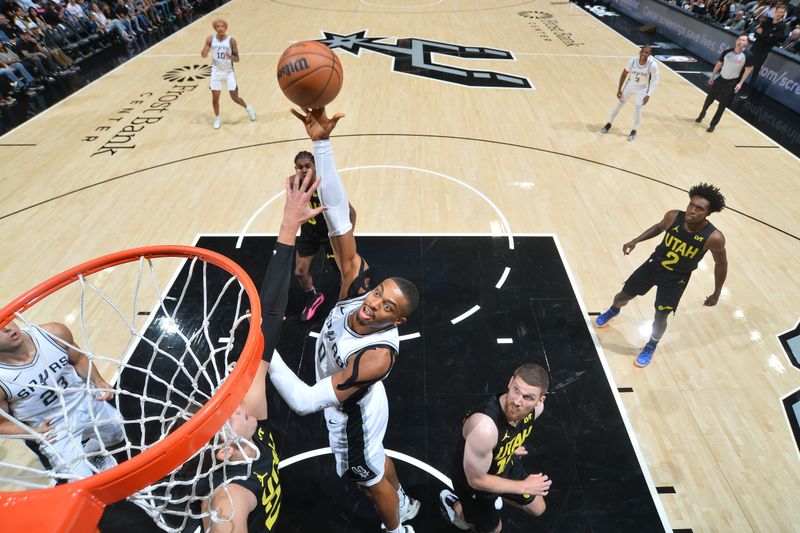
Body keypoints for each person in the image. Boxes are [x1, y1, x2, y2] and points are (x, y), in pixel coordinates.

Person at [267, 107, 421, 533]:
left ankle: (396, 528)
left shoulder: (376, 356)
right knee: (378, 459)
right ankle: (404, 503)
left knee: (369, 481)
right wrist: (322, 145)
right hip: (358, 401)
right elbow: (339, 217)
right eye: (378, 294)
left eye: (387, 308)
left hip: (352, 416)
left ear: (398, 322)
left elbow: (301, 402)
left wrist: (262, 348)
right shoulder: (355, 286)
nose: (373, 304)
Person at [195, 165, 327, 532]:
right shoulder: (228, 499)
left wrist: (289, 226)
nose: (234, 404)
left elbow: (268, 315)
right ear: (222, 451)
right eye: (226, 414)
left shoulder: (249, 421)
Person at [594, 183, 728, 367]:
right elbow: (658, 227)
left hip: (676, 280)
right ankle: (613, 310)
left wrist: (716, 293)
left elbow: (721, 264)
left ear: (708, 213)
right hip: (653, 266)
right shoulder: (673, 216)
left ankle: (651, 345)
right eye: (691, 205)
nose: (692, 211)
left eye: (699, 209)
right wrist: (636, 240)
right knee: (623, 296)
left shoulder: (714, 237)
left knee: (660, 316)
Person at [0, 321, 124, 480]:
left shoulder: (53, 333)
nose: (7, 328)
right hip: (52, 428)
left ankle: (92, 453)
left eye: (5, 320)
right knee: (79, 480)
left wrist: (98, 381)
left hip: (85, 401)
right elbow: (1, 423)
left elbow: (79, 359)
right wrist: (32, 433)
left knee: (117, 436)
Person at [439, 363, 552, 533]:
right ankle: (456, 507)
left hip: (502, 462)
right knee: (493, 529)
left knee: (538, 508)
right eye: (516, 390)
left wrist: (511, 447)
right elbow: (476, 480)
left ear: (540, 400)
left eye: (528, 397)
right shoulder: (485, 428)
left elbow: (512, 432)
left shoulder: (536, 411)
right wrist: (523, 487)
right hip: (475, 485)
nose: (517, 401)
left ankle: (493, 497)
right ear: (510, 382)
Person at [291, 150, 356, 322]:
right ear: (295, 168)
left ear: (315, 167)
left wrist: (347, 238)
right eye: (300, 167)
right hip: (309, 232)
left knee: (343, 271)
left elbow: (351, 212)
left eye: (307, 166)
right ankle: (313, 296)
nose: (304, 170)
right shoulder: (294, 184)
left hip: (330, 233)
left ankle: (347, 302)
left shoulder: (325, 185)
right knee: (300, 271)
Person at [200, 18, 255, 130]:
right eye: (218, 26)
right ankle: (217, 118)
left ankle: (248, 107)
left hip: (228, 71)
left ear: (225, 27)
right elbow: (204, 54)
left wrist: (231, 57)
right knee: (215, 98)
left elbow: (237, 59)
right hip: (216, 71)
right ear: (215, 28)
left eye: (222, 26)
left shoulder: (231, 41)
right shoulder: (210, 39)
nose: (220, 28)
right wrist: (204, 53)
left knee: (234, 97)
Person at [600, 45, 660, 141]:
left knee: (638, 108)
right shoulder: (632, 61)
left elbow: (655, 81)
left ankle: (634, 131)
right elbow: (624, 74)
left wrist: (648, 95)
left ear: (650, 54)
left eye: (646, 53)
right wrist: (619, 89)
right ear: (640, 52)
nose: (644, 54)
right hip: (630, 85)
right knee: (619, 104)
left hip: (643, 88)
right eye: (643, 52)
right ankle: (608, 124)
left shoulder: (652, 65)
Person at [695, 34, 753, 132]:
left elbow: (748, 70)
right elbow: (719, 63)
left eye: (743, 40)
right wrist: (713, 76)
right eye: (740, 39)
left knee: (722, 105)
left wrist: (741, 83)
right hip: (720, 79)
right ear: (736, 41)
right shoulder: (727, 52)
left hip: (732, 82)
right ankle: (702, 113)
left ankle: (713, 124)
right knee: (709, 99)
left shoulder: (748, 55)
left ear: (746, 43)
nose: (741, 41)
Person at [743, 3, 787, 96]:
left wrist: (763, 34)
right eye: (778, 12)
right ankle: (737, 83)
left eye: (782, 12)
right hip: (755, 47)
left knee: (755, 71)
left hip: (763, 51)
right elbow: (756, 34)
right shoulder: (768, 21)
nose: (779, 14)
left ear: (784, 13)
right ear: (775, 12)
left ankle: (747, 92)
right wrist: (767, 35)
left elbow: (773, 40)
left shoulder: (782, 26)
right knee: (745, 65)